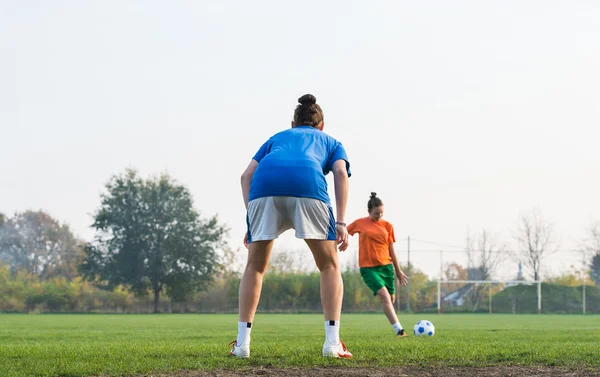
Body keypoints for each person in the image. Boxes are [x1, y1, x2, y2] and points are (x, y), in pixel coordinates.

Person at [230, 94, 352, 359]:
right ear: (321, 125)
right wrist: (341, 222)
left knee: (255, 267)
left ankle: (242, 345)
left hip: (264, 189)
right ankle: (332, 344)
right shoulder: (331, 141)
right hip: (308, 187)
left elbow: (246, 176)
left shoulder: (276, 137)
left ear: (293, 124)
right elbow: (340, 173)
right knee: (329, 266)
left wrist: (252, 217)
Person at [347, 192, 409, 337]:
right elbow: (344, 232)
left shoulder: (388, 226)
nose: (379, 216)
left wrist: (398, 271)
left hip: (386, 267)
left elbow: (391, 249)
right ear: (369, 211)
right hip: (368, 268)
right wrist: (342, 241)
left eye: (381, 213)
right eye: (376, 214)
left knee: (391, 299)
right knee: (385, 297)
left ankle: (394, 323)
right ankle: (399, 331)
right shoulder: (360, 223)